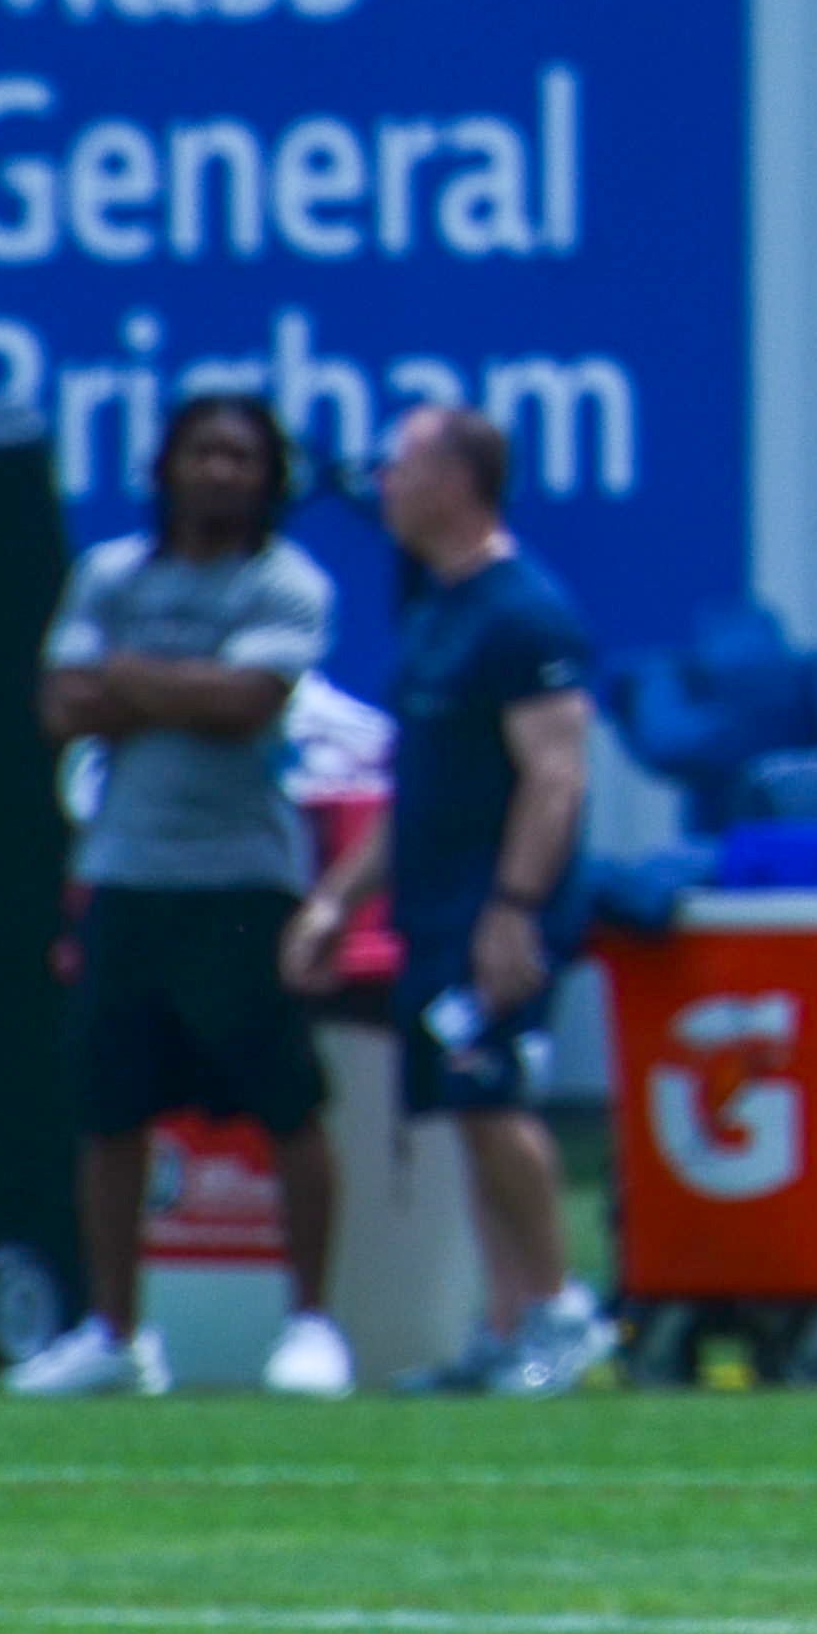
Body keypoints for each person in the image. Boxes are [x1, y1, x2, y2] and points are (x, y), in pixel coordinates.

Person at [6, 394, 352, 1399]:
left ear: (269, 477)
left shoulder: (285, 583)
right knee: (109, 1108)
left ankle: (312, 1325)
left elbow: (249, 706)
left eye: (241, 458)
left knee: (285, 1100)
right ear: (166, 466)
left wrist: (129, 680)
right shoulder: (112, 572)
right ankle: (116, 1333)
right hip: (125, 871)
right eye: (202, 453)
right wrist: (180, 687)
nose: (219, 473)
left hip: (242, 876)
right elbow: (60, 706)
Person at [282, 403, 609, 1397]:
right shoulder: (436, 612)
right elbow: (417, 790)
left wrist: (514, 908)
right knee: (466, 1112)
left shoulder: (524, 614)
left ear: (458, 481)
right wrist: (337, 900)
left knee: (496, 1096)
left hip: (491, 907)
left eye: (402, 464)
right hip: (432, 905)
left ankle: (559, 1313)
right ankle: (504, 1321)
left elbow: (556, 778)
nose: (381, 480)